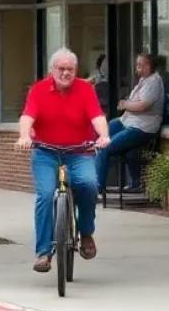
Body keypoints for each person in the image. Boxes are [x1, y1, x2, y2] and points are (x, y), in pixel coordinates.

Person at [17, 48, 109, 274]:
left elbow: (97, 116)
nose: (66, 73)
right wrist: (24, 136)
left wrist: (103, 136)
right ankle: (43, 253)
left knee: (88, 185)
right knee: (46, 195)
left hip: (79, 151)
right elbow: (28, 116)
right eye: (61, 69)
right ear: (52, 70)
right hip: (46, 152)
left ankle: (86, 233)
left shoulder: (85, 89)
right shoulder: (39, 90)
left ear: (75, 70)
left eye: (70, 69)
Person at [95, 53, 165, 194]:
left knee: (104, 148)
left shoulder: (154, 82)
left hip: (141, 128)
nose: (137, 68)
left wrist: (125, 105)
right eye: (137, 64)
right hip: (126, 121)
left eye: (140, 65)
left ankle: (97, 189)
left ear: (149, 66)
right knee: (99, 138)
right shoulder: (144, 80)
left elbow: (143, 106)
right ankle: (135, 184)